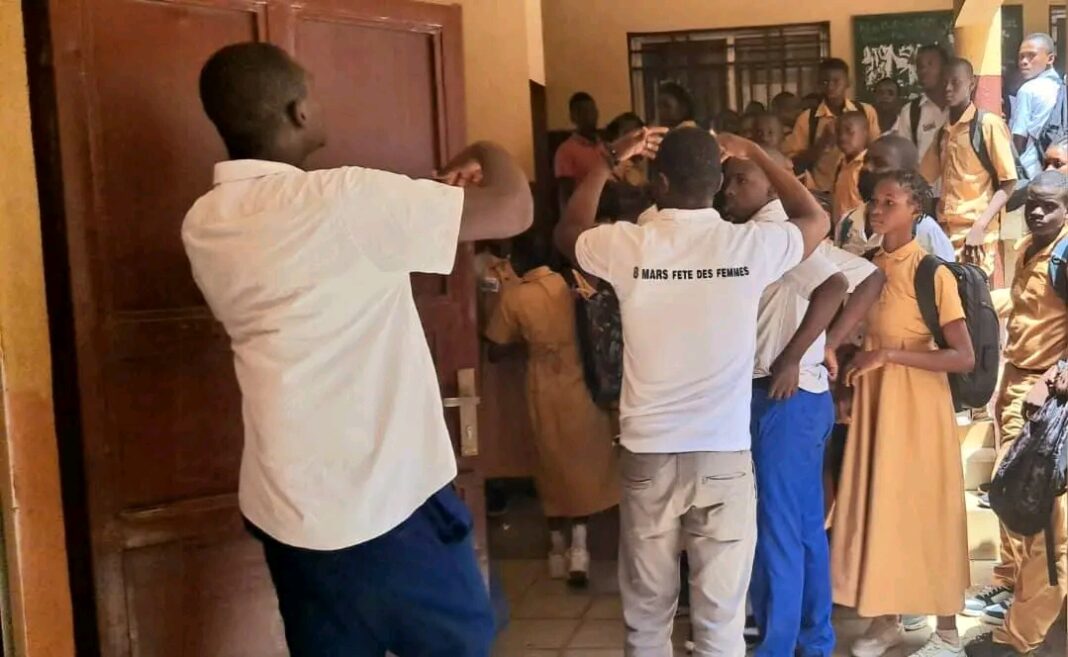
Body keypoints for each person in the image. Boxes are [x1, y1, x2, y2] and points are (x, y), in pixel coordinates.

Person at [182, 43, 532, 657]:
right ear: (297, 112)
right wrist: (482, 148)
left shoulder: (205, 222)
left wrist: (415, 210)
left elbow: (326, 263)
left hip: (291, 515)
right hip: (390, 506)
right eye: (312, 93)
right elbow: (513, 209)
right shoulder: (345, 198)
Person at [555, 127, 830, 656]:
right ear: (718, 182)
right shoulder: (748, 246)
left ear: (658, 183)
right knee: (721, 624)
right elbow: (814, 218)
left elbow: (569, 231)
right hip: (723, 455)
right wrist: (754, 152)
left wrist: (609, 159)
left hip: (649, 456)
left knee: (647, 621)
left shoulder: (628, 245)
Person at [723, 153, 885, 657]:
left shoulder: (775, 233)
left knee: (776, 530)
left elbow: (833, 286)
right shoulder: (788, 231)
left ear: (772, 187)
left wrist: (796, 356)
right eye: (726, 180)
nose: (728, 190)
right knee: (804, 528)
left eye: (741, 179)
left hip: (781, 399)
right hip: (803, 399)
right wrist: (825, 345)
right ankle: (813, 639)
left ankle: (776, 645)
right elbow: (866, 277)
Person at [832, 170, 976, 657]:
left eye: (889, 202)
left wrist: (889, 355)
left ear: (916, 210)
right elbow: (860, 337)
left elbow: (963, 357)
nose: (876, 210)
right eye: (873, 201)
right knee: (883, 506)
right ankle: (887, 618)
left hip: (919, 410)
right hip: (877, 404)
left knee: (927, 509)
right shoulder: (869, 267)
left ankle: (948, 633)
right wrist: (849, 380)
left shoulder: (931, 272)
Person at [962, 171, 1068, 652]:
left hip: (1048, 396)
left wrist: (1052, 378)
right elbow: (1028, 307)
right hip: (1017, 381)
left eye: (1050, 206)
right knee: (1010, 494)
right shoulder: (1030, 248)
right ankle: (1012, 585)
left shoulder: (1064, 255)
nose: (1038, 212)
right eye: (1033, 204)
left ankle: (1020, 632)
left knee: (1040, 515)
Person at [484, 239, 620, 588]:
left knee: (549, 465)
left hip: (543, 386)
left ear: (519, 261)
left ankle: (557, 548)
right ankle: (581, 547)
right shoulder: (573, 282)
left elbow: (494, 348)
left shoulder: (515, 297)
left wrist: (527, 340)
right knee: (583, 463)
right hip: (582, 384)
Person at [921, 58, 1018, 278]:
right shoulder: (944, 132)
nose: (948, 88)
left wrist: (980, 226)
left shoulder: (987, 124)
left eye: (955, 82)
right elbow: (922, 179)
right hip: (945, 232)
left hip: (975, 232)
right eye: (944, 82)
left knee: (972, 290)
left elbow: (1009, 182)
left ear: (971, 83)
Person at [837, 135, 955, 262]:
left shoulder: (925, 231)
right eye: (866, 161)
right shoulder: (847, 223)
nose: (867, 168)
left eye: (880, 163)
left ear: (907, 174)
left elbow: (945, 273)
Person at [784, 58, 881, 194]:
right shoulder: (808, 118)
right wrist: (822, 144)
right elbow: (794, 162)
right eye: (825, 82)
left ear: (848, 82)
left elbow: (876, 151)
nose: (830, 86)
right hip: (821, 192)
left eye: (836, 81)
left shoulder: (865, 112)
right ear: (818, 84)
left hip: (857, 190)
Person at [1011, 33, 1063, 178]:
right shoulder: (1062, 87)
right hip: (1061, 166)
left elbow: (1019, 138)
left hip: (1033, 169)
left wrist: (1012, 169)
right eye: (1021, 57)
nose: (1024, 62)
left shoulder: (1028, 90)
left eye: (1031, 56)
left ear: (1050, 59)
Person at [895, 44, 949, 164]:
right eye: (920, 66)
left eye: (930, 64)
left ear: (945, 69)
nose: (924, 71)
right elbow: (904, 159)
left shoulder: (959, 108)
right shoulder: (910, 112)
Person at [555, 91, 604, 210]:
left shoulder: (604, 146)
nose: (589, 116)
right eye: (583, 112)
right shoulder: (565, 150)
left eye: (592, 111)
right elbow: (565, 193)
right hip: (585, 211)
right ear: (573, 117)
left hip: (610, 209)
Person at [833, 111, 872, 222]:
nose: (842, 137)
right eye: (838, 132)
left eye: (849, 131)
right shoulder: (841, 164)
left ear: (865, 133)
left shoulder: (867, 167)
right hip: (840, 228)